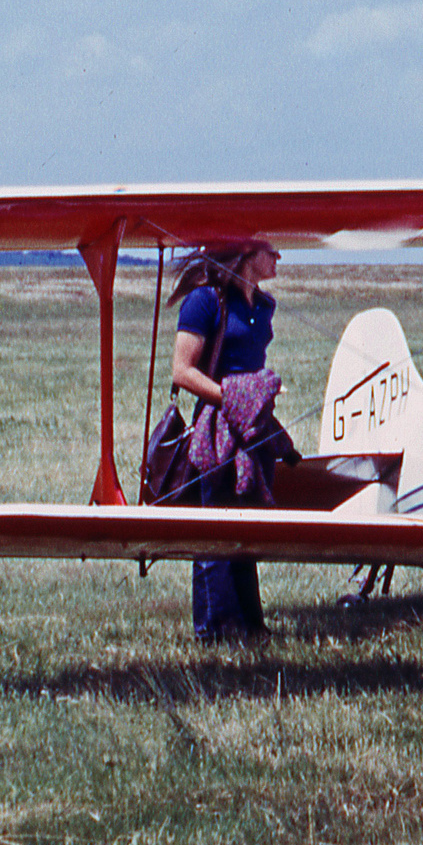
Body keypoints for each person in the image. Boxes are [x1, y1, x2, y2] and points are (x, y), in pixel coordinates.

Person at [170, 240, 286, 647]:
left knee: (249, 524)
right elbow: (182, 371)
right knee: (215, 525)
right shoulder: (204, 301)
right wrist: (235, 397)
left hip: (254, 429)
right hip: (217, 428)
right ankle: (214, 630)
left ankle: (250, 624)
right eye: (270, 249)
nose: (278, 257)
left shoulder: (263, 305)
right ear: (244, 253)